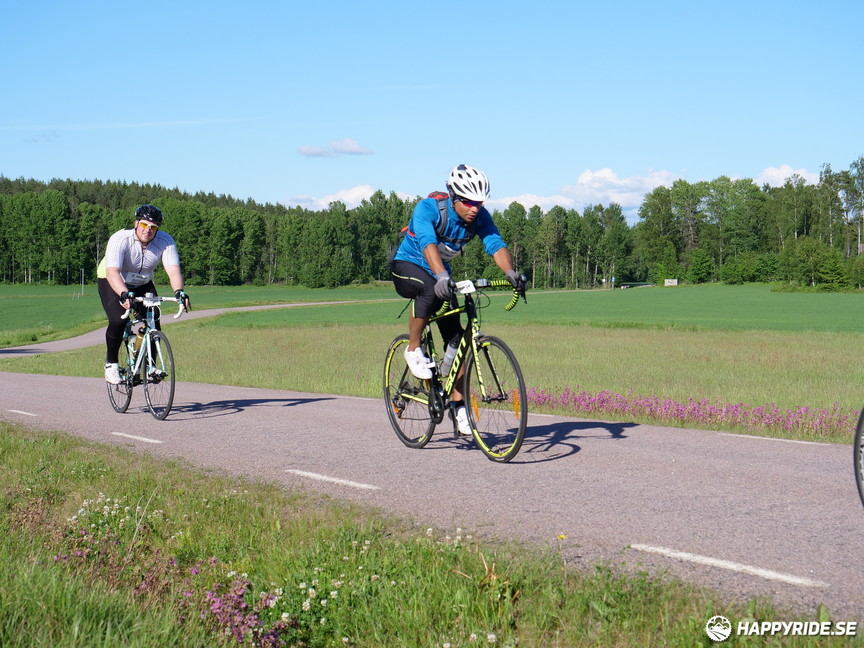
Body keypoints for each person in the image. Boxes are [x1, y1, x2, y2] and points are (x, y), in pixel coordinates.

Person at [390, 164, 523, 436]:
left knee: (459, 340)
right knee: (427, 289)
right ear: (454, 196)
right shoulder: (428, 209)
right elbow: (427, 243)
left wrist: (510, 272)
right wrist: (440, 275)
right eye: (469, 202)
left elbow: (495, 244)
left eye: (479, 202)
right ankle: (413, 349)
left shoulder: (479, 216)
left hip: (441, 274)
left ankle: (458, 406)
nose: (475, 208)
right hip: (407, 266)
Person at [97, 205, 191, 384]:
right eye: (144, 225)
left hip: (142, 282)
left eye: (153, 227)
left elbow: (173, 270)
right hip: (113, 279)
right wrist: (124, 294)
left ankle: (151, 367)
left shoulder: (166, 241)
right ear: (136, 223)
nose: (148, 230)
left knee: (153, 318)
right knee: (119, 320)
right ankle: (111, 365)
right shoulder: (120, 239)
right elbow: (112, 272)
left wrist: (179, 292)